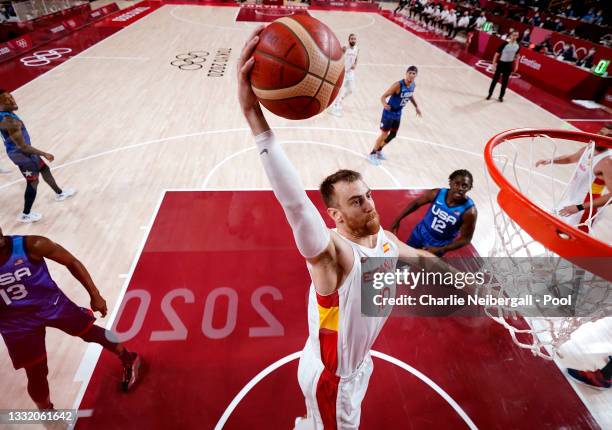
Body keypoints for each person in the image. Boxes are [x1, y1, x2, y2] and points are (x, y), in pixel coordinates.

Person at [237, 27, 455, 429]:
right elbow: (296, 205)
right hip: (333, 378)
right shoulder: (333, 255)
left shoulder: (382, 239)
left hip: (353, 364)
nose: (369, 203)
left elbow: (421, 258)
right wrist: (256, 120)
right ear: (335, 215)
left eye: (367, 195)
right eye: (356, 201)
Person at [0, 227, 142, 409]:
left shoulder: (33, 244)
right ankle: (47, 412)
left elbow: (72, 261)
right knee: (36, 372)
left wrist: (95, 294)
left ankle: (129, 358)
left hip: (51, 304)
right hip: (15, 323)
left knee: (90, 332)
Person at [0, 90, 75, 223]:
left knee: (44, 169)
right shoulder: (10, 121)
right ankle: (25, 214)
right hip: (22, 154)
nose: (12, 100)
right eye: (6, 100)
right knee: (33, 182)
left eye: (11, 96)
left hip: (24, 152)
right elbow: (23, 147)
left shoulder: (5, 115)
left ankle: (59, 193)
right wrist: (44, 153)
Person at [535, 125, 611, 233]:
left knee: (570, 243)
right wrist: (550, 160)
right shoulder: (590, 146)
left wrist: (579, 207)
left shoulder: (607, 162)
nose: (602, 137)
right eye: (601, 133)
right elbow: (571, 157)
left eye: (608, 136)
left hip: (585, 208)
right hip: (571, 201)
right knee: (551, 232)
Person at [390, 170, 477, 256]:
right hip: (420, 233)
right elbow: (416, 203)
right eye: (456, 184)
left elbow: (466, 239)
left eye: (464, 186)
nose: (460, 188)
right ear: (450, 182)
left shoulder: (469, 212)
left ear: (469, 188)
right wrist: (397, 220)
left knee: (424, 267)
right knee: (406, 257)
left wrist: (442, 248)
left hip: (439, 244)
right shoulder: (437, 193)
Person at [367, 66, 421, 165]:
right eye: (410, 73)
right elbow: (383, 96)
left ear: (416, 75)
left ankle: (379, 150)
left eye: (414, 73)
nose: (411, 75)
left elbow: (410, 95)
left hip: (398, 113)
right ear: (406, 73)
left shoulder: (413, 85)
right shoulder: (398, 85)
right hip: (389, 113)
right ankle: (372, 154)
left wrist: (416, 106)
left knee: (393, 135)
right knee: (384, 134)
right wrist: (384, 104)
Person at [486, 30, 520, 102]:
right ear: (511, 35)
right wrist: (493, 64)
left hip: (509, 65)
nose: (514, 37)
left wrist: (516, 65)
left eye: (516, 35)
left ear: (518, 37)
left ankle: (501, 97)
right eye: (513, 35)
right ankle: (490, 94)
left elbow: (517, 56)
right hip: (501, 63)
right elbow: (496, 54)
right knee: (495, 80)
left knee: (505, 82)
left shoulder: (517, 46)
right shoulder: (504, 44)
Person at [331, 34, 359, 117]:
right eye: (352, 39)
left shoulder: (357, 48)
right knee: (340, 91)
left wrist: (355, 64)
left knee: (351, 90)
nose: (353, 40)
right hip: (343, 72)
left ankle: (339, 101)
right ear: (349, 40)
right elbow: (337, 55)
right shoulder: (344, 48)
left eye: (354, 39)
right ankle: (335, 108)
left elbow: (357, 57)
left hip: (351, 73)